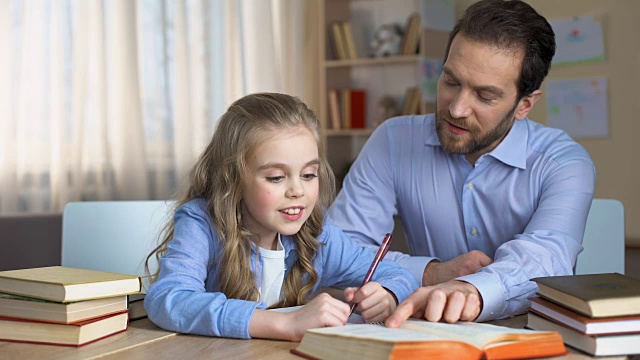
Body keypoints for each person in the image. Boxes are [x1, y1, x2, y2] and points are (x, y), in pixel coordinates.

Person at [327, 0, 595, 327]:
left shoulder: (563, 164)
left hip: (526, 337)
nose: (456, 109)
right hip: (422, 336)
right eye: (451, 81)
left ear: (524, 104)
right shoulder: (393, 141)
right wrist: (431, 272)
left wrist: (469, 290)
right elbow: (338, 251)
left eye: (484, 96)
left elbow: (544, 259)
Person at [144, 93, 418, 341]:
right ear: (233, 180)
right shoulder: (201, 223)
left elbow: (397, 274)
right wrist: (283, 323)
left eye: (309, 175)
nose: (297, 190)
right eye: (276, 177)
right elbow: (169, 299)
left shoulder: (317, 233)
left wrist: (388, 295)